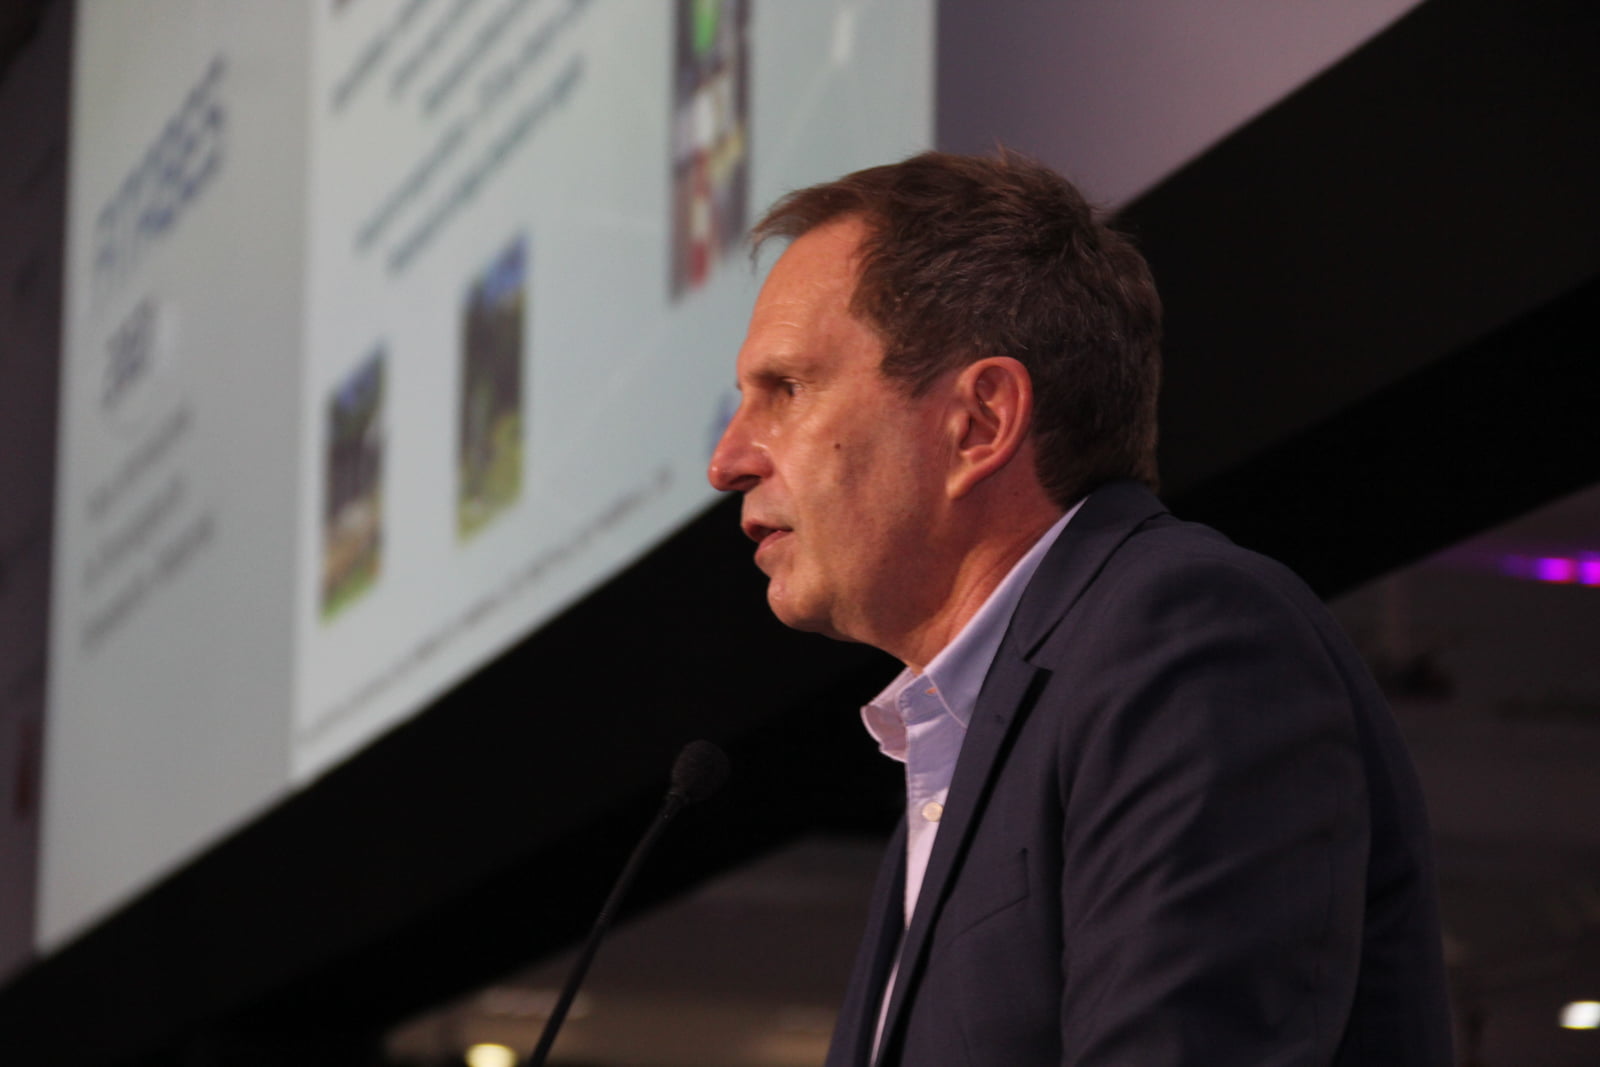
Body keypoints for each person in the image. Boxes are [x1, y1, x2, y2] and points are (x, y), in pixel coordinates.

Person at [707, 151, 1452, 1066]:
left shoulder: (1188, 638)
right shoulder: (971, 734)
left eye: (786, 389)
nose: (727, 459)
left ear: (979, 422)